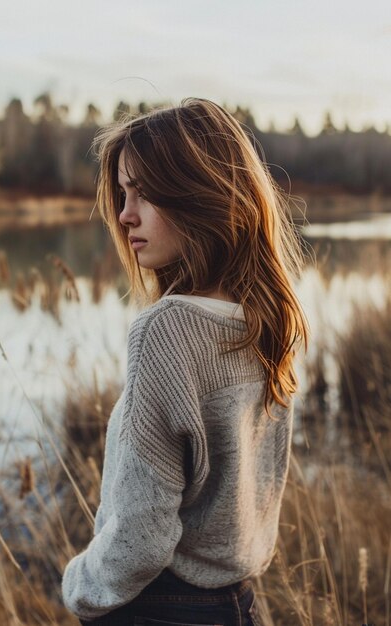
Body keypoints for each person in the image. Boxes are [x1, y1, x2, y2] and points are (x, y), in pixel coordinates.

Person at [62, 97, 309, 626]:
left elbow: (142, 534)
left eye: (145, 194)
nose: (125, 214)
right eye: (124, 193)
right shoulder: (265, 320)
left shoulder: (166, 329)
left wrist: (80, 586)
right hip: (237, 604)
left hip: (159, 607)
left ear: (201, 197)